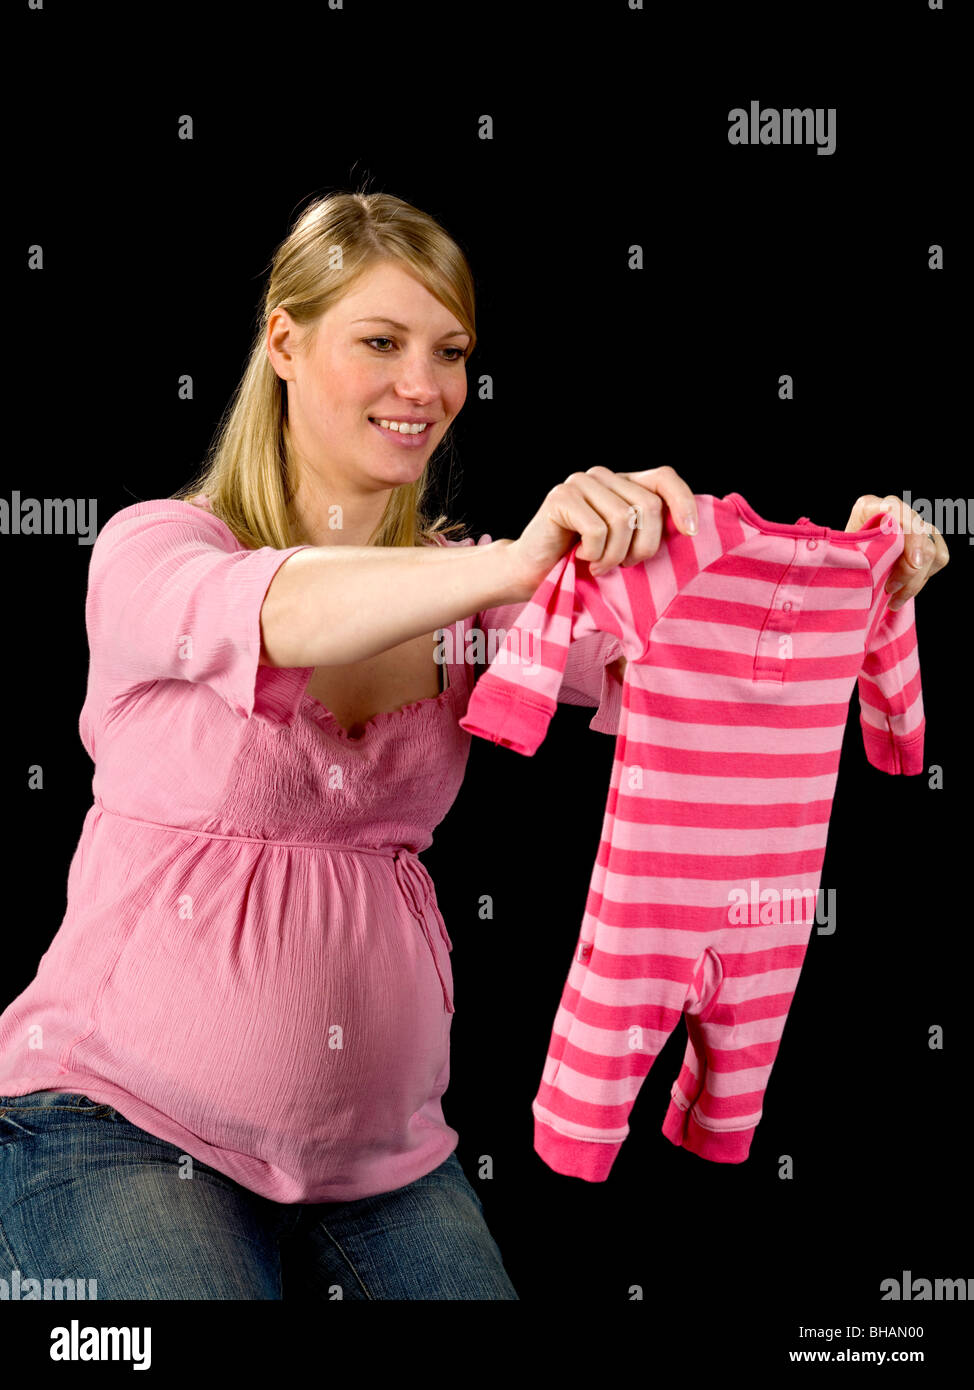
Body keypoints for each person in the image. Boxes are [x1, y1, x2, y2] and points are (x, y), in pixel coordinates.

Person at [0, 192, 949, 1301]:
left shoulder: (480, 607)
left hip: (384, 1159)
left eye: (448, 351)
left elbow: (695, 669)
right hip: (114, 1121)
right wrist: (518, 562)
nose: (424, 386)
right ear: (283, 341)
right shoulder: (151, 549)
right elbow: (277, 612)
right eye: (380, 342)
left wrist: (843, 585)